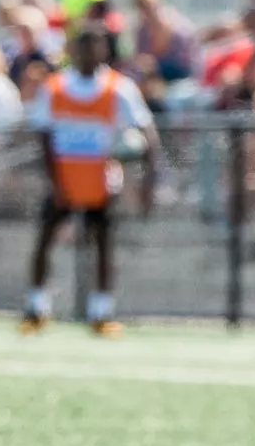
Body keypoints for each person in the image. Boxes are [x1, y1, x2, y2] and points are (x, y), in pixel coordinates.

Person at [22, 24, 157, 337]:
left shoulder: (118, 88)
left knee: (104, 244)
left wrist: (150, 178)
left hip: (101, 176)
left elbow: (147, 132)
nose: (88, 52)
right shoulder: (55, 86)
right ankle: (36, 307)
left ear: (104, 50)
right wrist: (54, 182)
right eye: (83, 45)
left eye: (94, 45)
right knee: (45, 239)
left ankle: (101, 311)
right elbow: (43, 135)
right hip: (65, 176)